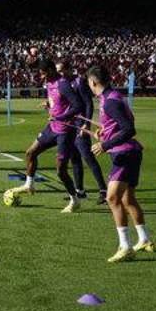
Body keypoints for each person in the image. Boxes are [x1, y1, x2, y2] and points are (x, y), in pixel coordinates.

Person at [87, 63, 154, 263]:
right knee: (127, 200)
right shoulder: (111, 97)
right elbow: (117, 125)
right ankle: (144, 239)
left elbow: (129, 129)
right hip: (129, 152)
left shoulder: (109, 101)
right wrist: (104, 132)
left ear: (93, 82)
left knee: (112, 198)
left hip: (126, 154)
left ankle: (125, 246)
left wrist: (105, 144)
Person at [10, 56, 83, 212]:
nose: (41, 76)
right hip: (52, 128)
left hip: (65, 131)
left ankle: (74, 200)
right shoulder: (49, 83)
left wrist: (60, 117)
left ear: (50, 70)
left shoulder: (63, 85)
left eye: (43, 73)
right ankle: (29, 185)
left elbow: (78, 106)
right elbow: (58, 101)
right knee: (30, 153)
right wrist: (49, 104)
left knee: (60, 171)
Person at [58, 59, 107, 204]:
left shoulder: (79, 82)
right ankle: (79, 190)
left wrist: (86, 123)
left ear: (68, 69)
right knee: (74, 159)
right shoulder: (63, 84)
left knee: (88, 157)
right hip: (70, 126)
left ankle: (103, 191)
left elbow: (88, 103)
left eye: (61, 70)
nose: (59, 73)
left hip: (80, 125)